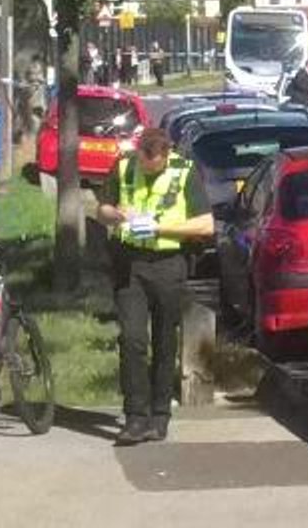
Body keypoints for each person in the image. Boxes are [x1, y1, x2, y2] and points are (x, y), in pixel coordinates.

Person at [95, 128, 213, 445]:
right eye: (146, 164)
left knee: (164, 340)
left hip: (168, 263)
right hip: (130, 263)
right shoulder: (123, 166)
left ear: (166, 155)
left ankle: (159, 415)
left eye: (156, 165)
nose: (150, 170)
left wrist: (160, 227)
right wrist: (116, 215)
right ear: (139, 152)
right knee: (132, 339)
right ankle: (135, 416)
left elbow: (206, 224)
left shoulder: (184, 171)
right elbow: (101, 209)